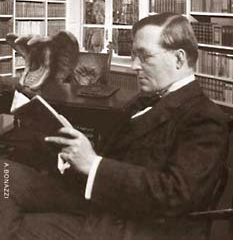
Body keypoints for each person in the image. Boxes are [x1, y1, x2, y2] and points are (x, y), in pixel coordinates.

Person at [0, 13, 230, 240]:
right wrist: (76, 146)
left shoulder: (205, 117)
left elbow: (176, 194)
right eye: (133, 56)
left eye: (145, 57)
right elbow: (121, 155)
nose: (134, 66)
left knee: (21, 226)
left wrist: (93, 164)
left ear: (179, 59)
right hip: (104, 197)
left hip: (141, 224)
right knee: (4, 175)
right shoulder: (144, 101)